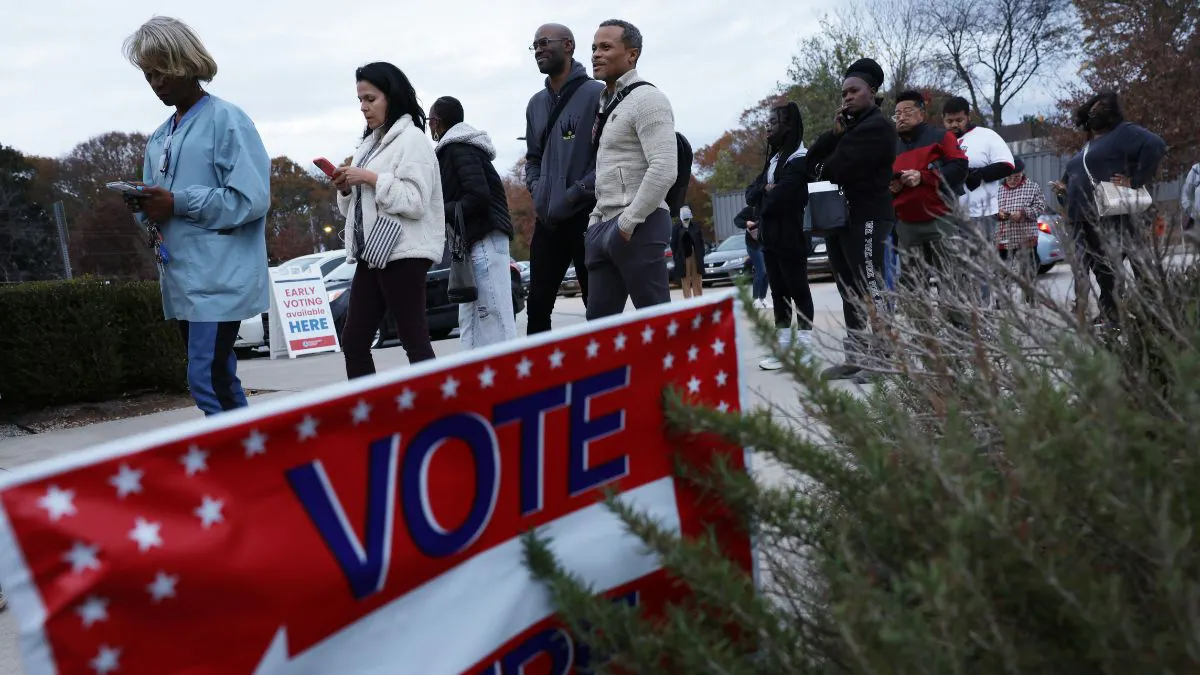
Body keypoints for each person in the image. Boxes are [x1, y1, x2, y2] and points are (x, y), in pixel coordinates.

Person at [122, 16, 271, 416]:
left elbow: (251, 199)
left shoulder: (228, 120)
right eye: (148, 75)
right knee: (218, 376)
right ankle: (249, 447)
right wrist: (144, 208)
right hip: (181, 281)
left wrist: (177, 202)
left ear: (186, 63)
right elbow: (160, 205)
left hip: (220, 278)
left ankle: (230, 450)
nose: (155, 83)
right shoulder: (159, 136)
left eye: (162, 72)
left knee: (205, 378)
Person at [333, 62, 445, 378]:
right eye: (360, 100)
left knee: (414, 339)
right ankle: (368, 406)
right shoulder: (368, 145)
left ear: (391, 97)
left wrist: (370, 178)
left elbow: (415, 201)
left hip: (404, 252)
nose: (363, 107)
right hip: (372, 253)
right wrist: (345, 189)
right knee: (354, 341)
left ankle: (435, 404)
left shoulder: (413, 139)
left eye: (370, 98)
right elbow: (354, 211)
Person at [805, 58, 897, 381]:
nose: (847, 97)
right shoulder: (849, 130)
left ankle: (884, 358)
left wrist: (827, 162)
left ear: (871, 91)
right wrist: (833, 136)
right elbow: (812, 163)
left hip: (869, 215)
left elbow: (834, 169)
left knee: (872, 284)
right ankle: (856, 357)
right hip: (842, 219)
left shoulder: (878, 127)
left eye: (854, 91)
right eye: (844, 93)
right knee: (848, 288)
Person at [584, 19, 678, 319]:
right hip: (603, 226)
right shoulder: (605, 104)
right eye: (594, 48)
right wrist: (594, 223)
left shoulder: (648, 99)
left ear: (632, 54)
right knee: (599, 328)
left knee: (656, 323)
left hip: (639, 225)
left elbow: (664, 167)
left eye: (606, 47)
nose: (596, 54)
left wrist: (628, 221)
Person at [1050, 91, 1166, 326]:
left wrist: (1135, 180)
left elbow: (1156, 145)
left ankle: (1153, 314)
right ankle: (1111, 313)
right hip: (1084, 218)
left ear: (1112, 112)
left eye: (1101, 108)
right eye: (1092, 109)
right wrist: (1064, 190)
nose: (1095, 112)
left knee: (1133, 263)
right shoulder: (1089, 145)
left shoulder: (1123, 132)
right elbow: (1074, 175)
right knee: (1103, 269)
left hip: (1113, 213)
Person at [524, 23, 606, 334]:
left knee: (596, 303)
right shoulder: (535, 104)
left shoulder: (597, 94)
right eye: (534, 45)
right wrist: (536, 189)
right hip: (548, 218)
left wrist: (576, 192)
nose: (539, 50)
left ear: (568, 45)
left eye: (545, 42)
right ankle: (539, 365)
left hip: (587, 214)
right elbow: (533, 158)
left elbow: (609, 157)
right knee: (537, 306)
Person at [428, 96, 517, 349]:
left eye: (429, 120)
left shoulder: (458, 148)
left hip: (485, 238)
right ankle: (474, 369)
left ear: (438, 121)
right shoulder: (457, 148)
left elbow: (478, 196)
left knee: (492, 314)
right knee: (473, 317)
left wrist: (438, 211)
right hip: (477, 241)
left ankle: (505, 368)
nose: (429, 126)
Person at [746, 101, 814, 371]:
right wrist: (766, 188)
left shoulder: (800, 159)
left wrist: (765, 193)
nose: (768, 127)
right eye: (768, 122)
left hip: (792, 236)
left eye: (773, 122)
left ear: (788, 126)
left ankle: (805, 350)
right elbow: (751, 194)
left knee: (799, 291)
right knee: (779, 294)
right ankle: (783, 349)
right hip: (770, 237)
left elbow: (781, 199)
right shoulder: (774, 161)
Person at [889, 89, 968, 309]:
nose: (901, 117)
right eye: (897, 114)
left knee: (951, 280)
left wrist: (923, 176)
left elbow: (960, 167)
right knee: (912, 286)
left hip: (940, 219)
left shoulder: (941, 137)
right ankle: (921, 330)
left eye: (907, 111)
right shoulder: (891, 147)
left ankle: (958, 328)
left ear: (921, 114)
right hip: (906, 225)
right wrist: (892, 186)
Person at [942, 96, 1015, 302]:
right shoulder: (941, 140)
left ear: (968, 117)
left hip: (979, 214)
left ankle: (983, 312)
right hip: (948, 214)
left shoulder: (986, 136)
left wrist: (980, 174)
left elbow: (1007, 165)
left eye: (959, 120)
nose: (954, 125)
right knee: (953, 268)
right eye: (949, 121)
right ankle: (959, 313)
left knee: (979, 266)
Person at [996, 158, 1048, 302]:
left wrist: (1023, 213)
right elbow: (990, 211)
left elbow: (1040, 207)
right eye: (1009, 177)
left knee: (1029, 271)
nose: (1012, 180)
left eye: (1016, 177)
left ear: (1022, 173)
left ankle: (1031, 300)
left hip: (1026, 237)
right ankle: (1003, 301)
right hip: (1004, 237)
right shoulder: (998, 190)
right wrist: (998, 214)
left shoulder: (1032, 187)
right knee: (1002, 271)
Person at [734, 205, 770, 308]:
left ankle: (762, 299)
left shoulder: (766, 207)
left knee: (767, 272)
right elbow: (737, 220)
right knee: (761, 271)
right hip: (753, 246)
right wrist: (746, 223)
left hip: (765, 244)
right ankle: (755, 299)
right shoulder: (750, 209)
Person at [672, 205, 705, 298]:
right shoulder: (677, 227)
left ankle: (698, 299)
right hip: (683, 256)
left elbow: (700, 241)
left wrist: (702, 254)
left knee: (697, 278)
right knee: (685, 280)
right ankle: (688, 300)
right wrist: (677, 256)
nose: (686, 220)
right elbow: (673, 243)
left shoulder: (695, 226)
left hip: (695, 255)